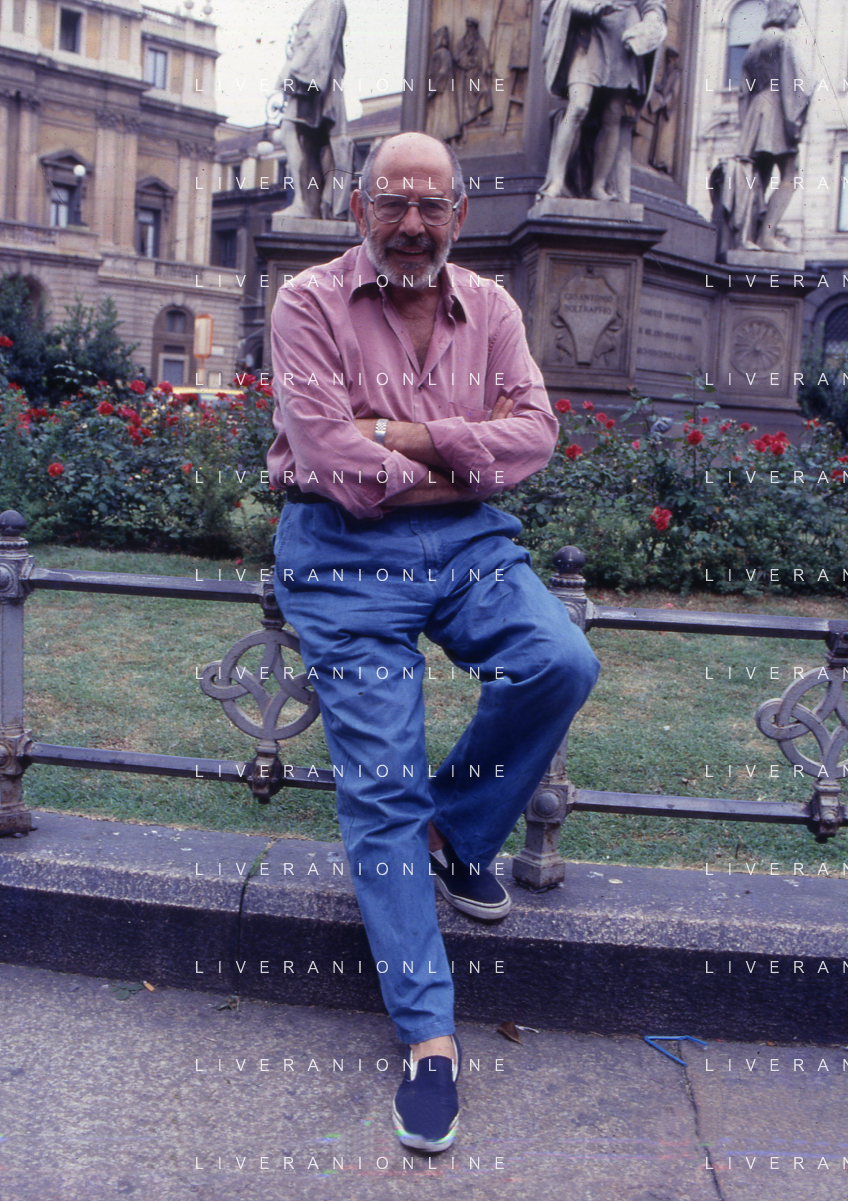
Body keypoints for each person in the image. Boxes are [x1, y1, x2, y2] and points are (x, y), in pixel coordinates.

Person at [267, 131, 600, 1152]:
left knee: (559, 660)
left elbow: (534, 437)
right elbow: (334, 466)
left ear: (459, 214)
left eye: (430, 205)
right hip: (341, 553)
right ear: (357, 207)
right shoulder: (307, 303)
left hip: (467, 545)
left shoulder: (491, 308)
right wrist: (462, 453)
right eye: (391, 202)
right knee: (381, 785)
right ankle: (429, 1039)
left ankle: (452, 836)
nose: (410, 223)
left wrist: (402, 436)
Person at [537, 0, 666, 202]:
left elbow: (652, 5)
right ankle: (556, 181)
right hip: (589, 33)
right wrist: (588, 7)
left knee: (613, 114)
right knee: (578, 106)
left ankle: (598, 185)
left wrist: (651, 22)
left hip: (625, 35)